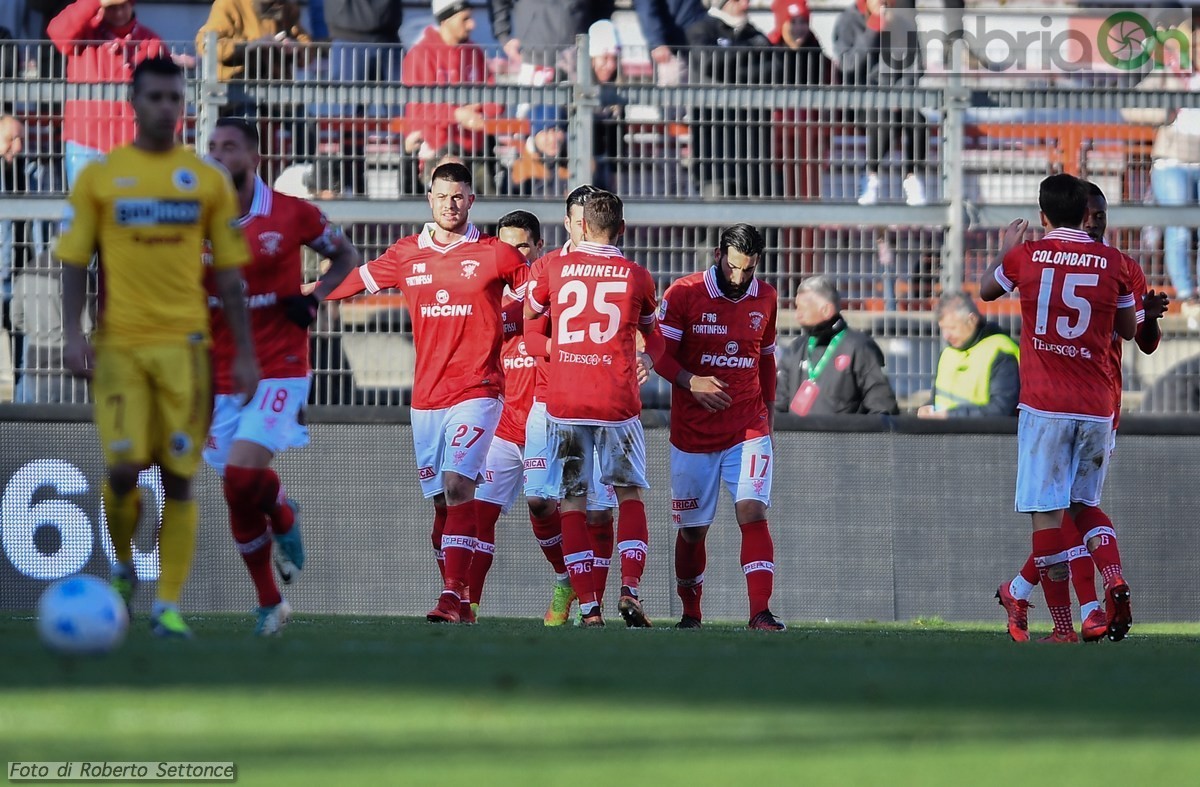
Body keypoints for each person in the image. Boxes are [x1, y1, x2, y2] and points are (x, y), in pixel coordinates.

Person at [55, 57, 258, 638]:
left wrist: (243, 353)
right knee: (123, 469)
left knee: (178, 478)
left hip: (186, 350)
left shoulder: (205, 180)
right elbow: (74, 259)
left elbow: (228, 274)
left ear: (183, 106)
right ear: (134, 102)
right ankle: (123, 563)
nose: (166, 107)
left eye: (175, 98)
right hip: (119, 347)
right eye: (156, 97)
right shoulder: (100, 176)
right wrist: (72, 333)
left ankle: (168, 605)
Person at [319, 161, 528, 624]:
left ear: (471, 200)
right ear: (429, 199)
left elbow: (537, 298)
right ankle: (460, 595)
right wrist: (304, 293)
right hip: (426, 397)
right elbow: (357, 280)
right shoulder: (406, 253)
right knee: (441, 502)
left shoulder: (497, 254)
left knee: (458, 487)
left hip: (479, 389)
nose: (450, 204)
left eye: (459, 196)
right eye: (442, 196)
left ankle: (454, 598)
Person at [202, 117, 361, 636]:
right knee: (236, 490)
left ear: (252, 157)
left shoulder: (293, 213)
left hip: (280, 366)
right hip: (216, 370)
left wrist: (313, 298)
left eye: (229, 147)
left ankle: (282, 519)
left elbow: (345, 256)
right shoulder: (191, 220)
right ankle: (272, 599)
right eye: (211, 147)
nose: (218, 155)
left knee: (242, 476)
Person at [995, 181, 1166, 643]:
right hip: (1096, 404)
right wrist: (1144, 318)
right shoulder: (1117, 267)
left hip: (1063, 401)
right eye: (1089, 213)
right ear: (1078, 213)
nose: (1095, 219)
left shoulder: (1112, 265)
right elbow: (1135, 333)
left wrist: (1151, 318)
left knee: (1054, 513)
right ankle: (1087, 599)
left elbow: (1144, 341)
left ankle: (1074, 615)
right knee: (1076, 509)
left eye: (1101, 214)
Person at [525, 189, 658, 629]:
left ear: (580, 226)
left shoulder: (554, 270)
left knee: (573, 501)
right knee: (628, 494)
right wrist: (647, 359)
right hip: (617, 400)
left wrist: (562, 351)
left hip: (566, 398)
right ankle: (630, 589)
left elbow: (530, 336)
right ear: (622, 228)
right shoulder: (638, 276)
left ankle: (588, 608)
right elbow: (652, 337)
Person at [653, 223, 785, 630]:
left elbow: (765, 359)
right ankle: (691, 613)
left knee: (752, 510)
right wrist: (691, 382)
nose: (739, 277)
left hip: (747, 427)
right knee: (692, 532)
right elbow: (659, 354)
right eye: (732, 267)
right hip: (693, 435)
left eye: (747, 269)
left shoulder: (766, 297)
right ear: (717, 255)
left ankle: (759, 613)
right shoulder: (684, 293)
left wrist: (769, 420)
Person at [467, 209, 577, 624]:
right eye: (505, 246)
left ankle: (566, 579)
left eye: (522, 246)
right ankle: (468, 604)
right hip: (501, 425)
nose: (513, 253)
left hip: (544, 423)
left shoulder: (549, 291)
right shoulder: (487, 293)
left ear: (538, 249)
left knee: (542, 505)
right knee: (478, 515)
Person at [523, 184, 621, 621]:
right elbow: (530, 331)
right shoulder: (548, 267)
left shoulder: (620, 270)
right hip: (551, 400)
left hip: (600, 403)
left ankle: (589, 606)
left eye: (591, 220)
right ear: (568, 223)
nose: (586, 228)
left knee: (597, 510)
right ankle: (567, 577)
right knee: (541, 501)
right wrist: (564, 353)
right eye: (579, 221)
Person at [47, 0, 169, 186]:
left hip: (135, 145)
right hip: (86, 143)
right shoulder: (84, 34)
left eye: (123, 6)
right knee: (88, 211)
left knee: (133, 210)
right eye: (112, 7)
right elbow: (57, 33)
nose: (119, 13)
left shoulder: (151, 41)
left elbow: (169, 93)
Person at [833, 0, 927, 206]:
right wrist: (872, 30)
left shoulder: (901, 21)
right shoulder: (848, 20)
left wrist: (900, 94)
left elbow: (915, 64)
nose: (883, 3)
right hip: (862, 100)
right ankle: (870, 177)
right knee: (884, 118)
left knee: (918, 121)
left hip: (898, 97)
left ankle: (912, 178)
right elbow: (848, 65)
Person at [402, 0, 502, 193]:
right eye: (465, 19)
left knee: (488, 208)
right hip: (437, 152)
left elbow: (496, 101)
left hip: (475, 153)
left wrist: (477, 110)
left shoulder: (474, 53)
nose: (472, 25)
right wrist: (458, 114)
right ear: (446, 20)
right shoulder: (420, 55)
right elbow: (419, 109)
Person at [686, 0, 776, 199]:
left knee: (755, 212)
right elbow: (708, 62)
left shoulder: (754, 33)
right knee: (716, 207)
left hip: (752, 142)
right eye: (737, 0)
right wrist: (748, 51)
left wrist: (730, 64)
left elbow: (774, 68)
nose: (745, 4)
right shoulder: (702, 29)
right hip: (714, 141)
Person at [775, 275, 899, 416]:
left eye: (802, 309)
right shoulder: (796, 348)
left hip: (845, 437)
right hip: (797, 437)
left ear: (826, 310)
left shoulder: (859, 347)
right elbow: (779, 406)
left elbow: (882, 407)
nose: (798, 315)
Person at [916, 292, 1019, 419]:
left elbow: (1001, 409)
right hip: (945, 435)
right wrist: (928, 407)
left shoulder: (1001, 352)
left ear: (972, 319)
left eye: (952, 328)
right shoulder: (948, 354)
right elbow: (940, 399)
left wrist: (950, 416)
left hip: (984, 437)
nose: (946, 336)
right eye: (943, 329)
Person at [489, 0, 613, 79]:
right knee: (534, 115)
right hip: (531, 55)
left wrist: (598, 42)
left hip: (576, 58)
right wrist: (503, 35)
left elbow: (603, 6)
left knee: (578, 115)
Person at [501, 105, 569, 197]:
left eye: (557, 130)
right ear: (534, 136)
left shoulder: (576, 164)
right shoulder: (520, 169)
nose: (552, 138)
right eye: (545, 131)